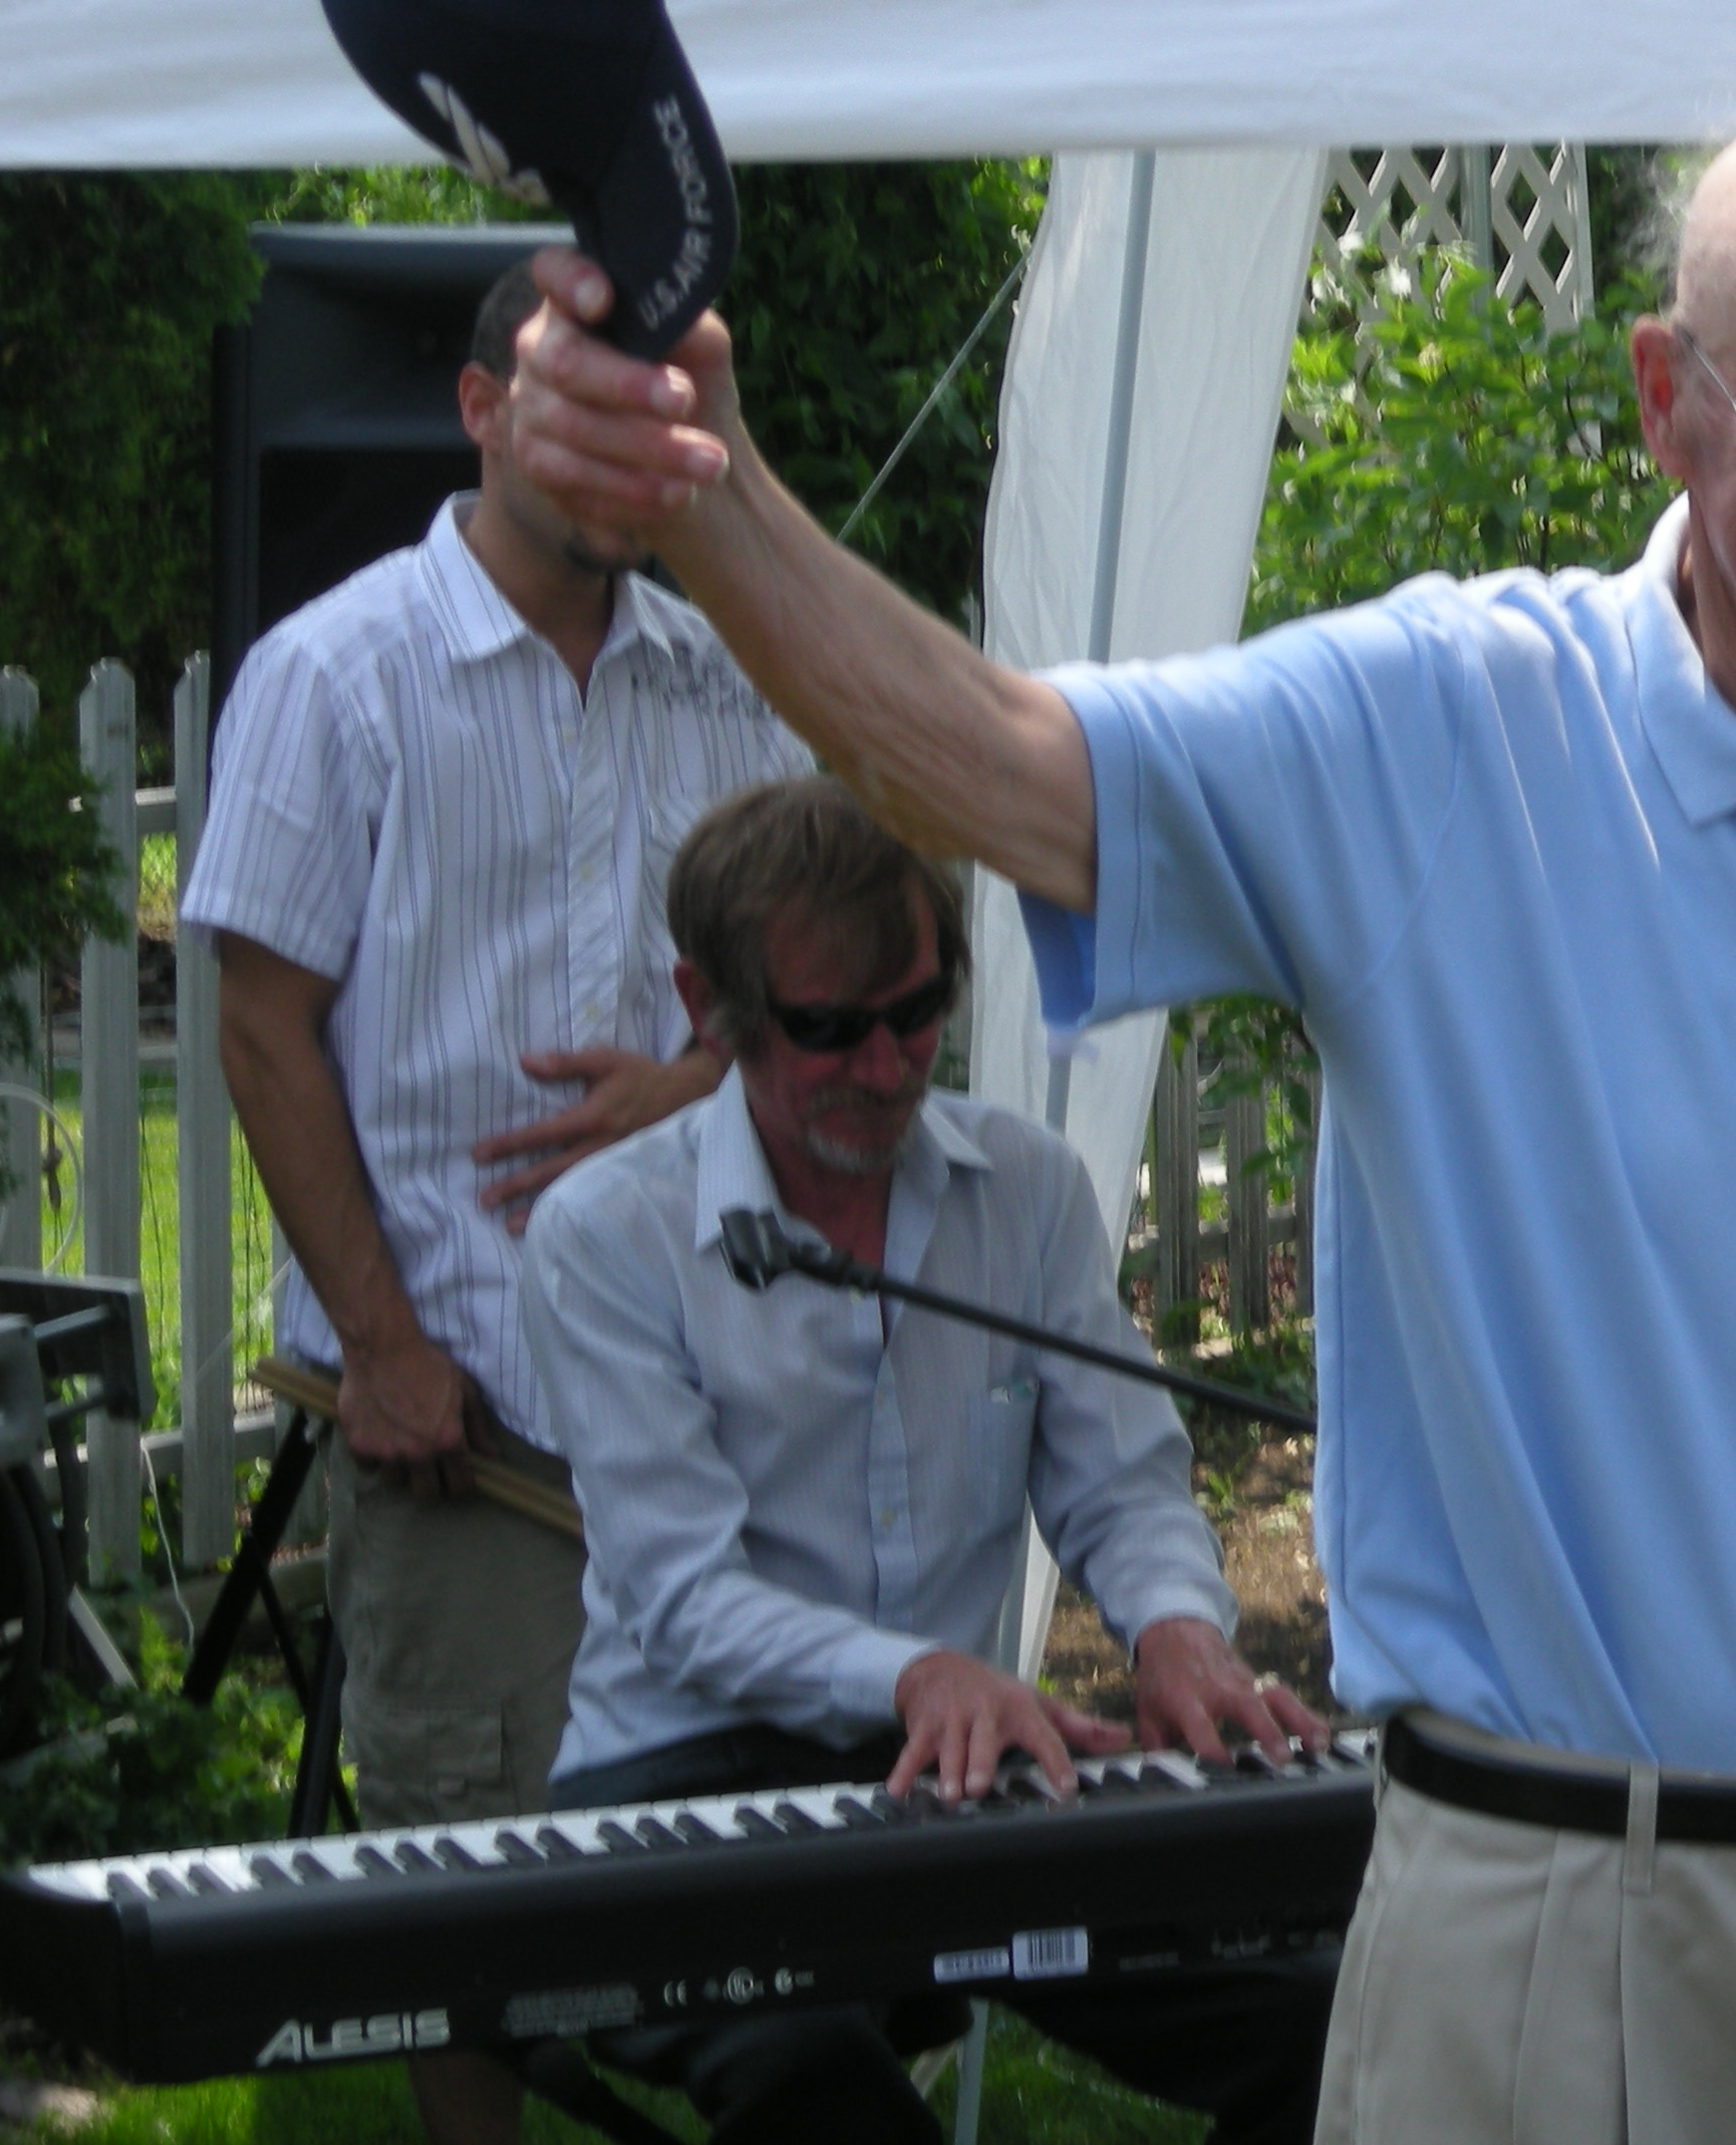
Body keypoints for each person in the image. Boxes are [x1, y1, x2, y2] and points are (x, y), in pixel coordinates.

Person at [506, 94, 1736, 2145]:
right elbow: (996, 768)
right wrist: (707, 489)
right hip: (1566, 1936)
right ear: (1670, 398)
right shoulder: (1442, 734)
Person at [180, 258, 811, 2145]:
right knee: (472, 1895)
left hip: (702, 1420)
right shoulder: (338, 673)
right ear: (478, 412)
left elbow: (820, 998)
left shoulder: (724, 683)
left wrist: (699, 1082)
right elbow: (264, 1022)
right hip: (467, 1424)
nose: (625, 453)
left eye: (655, 417)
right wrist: (380, 1348)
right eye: (573, 403)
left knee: (714, 1879)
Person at [520, 774, 1334, 2145]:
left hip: (952, 1776)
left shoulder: (1024, 1186)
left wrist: (1179, 1632)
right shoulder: (608, 1232)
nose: (889, 1068)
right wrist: (914, 1673)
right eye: (830, 1031)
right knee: (809, 2076)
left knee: (1327, 2024)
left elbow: (1119, 1479)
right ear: (705, 1004)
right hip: (680, 1780)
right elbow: (680, 1597)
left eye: (916, 1014)